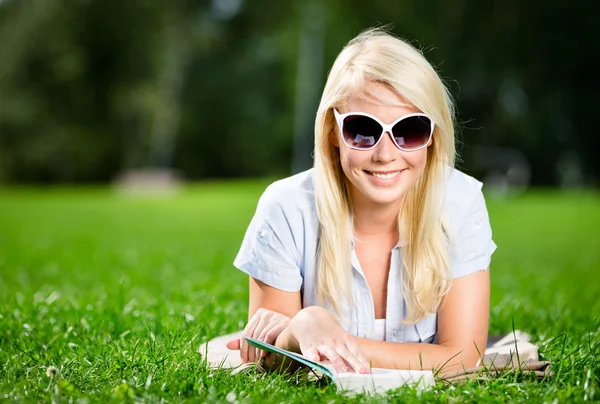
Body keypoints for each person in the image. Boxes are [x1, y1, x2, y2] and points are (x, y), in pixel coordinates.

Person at [225, 28, 496, 375]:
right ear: (332, 133)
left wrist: (319, 335)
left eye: (409, 130)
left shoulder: (461, 201)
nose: (385, 154)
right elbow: (269, 359)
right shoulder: (286, 207)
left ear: (433, 137)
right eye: (362, 129)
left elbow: (463, 358)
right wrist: (304, 327)